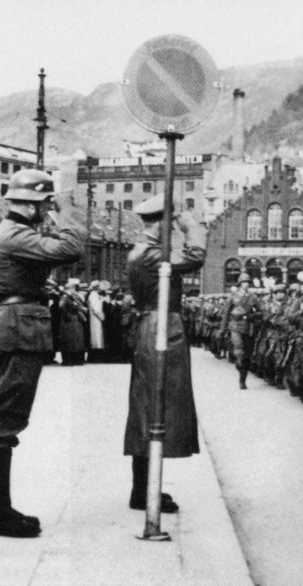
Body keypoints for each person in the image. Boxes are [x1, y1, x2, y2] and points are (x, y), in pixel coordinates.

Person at [0, 170, 84, 538]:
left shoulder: (16, 232)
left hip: (15, 326)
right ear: (34, 205)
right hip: (17, 330)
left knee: (6, 420)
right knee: (5, 422)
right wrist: (68, 213)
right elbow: (71, 249)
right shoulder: (16, 234)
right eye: (46, 204)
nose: (48, 210)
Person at [123, 195, 206, 514]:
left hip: (154, 325)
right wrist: (191, 226)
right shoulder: (150, 253)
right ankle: (144, 492)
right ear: (160, 222)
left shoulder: (145, 251)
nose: (172, 229)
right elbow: (195, 256)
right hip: (160, 329)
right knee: (154, 408)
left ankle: (143, 489)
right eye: (170, 224)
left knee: (149, 407)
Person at [221, 273, 261, 389]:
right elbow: (226, 313)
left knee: (247, 355)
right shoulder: (233, 296)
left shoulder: (253, 297)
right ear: (240, 284)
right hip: (235, 326)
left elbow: (260, 312)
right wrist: (222, 329)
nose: (246, 284)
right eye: (244, 282)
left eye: (247, 282)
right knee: (238, 349)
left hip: (248, 327)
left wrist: (251, 316)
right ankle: (238, 362)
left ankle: (242, 379)